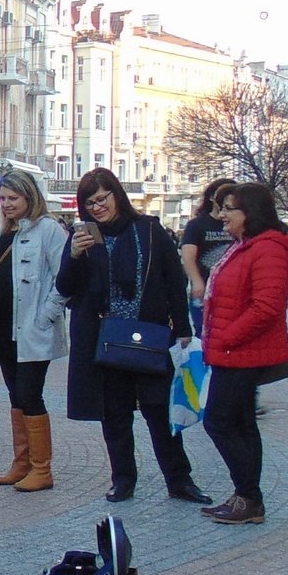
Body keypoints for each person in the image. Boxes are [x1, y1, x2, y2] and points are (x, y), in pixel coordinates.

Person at [57, 168, 209, 505]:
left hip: (149, 335)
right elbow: (64, 288)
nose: (97, 208)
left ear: (116, 195)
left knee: (158, 412)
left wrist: (183, 328)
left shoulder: (148, 230)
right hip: (105, 340)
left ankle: (179, 480)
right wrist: (74, 256)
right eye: (89, 203)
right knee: (115, 415)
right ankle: (123, 479)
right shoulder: (83, 236)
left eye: (102, 199)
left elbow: (173, 281)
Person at [199, 182, 288, 524]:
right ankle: (246, 498)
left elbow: (266, 307)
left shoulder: (267, 249)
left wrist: (227, 337)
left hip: (242, 352)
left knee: (219, 422)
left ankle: (249, 498)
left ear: (251, 214)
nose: (222, 214)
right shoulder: (246, 246)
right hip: (233, 350)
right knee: (241, 424)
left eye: (230, 208)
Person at [0, 170, 69, 492]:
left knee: (31, 394)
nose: (6, 204)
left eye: (13, 198)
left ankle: (42, 469)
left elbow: (65, 279)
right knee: (16, 394)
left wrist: (46, 315)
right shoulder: (1, 231)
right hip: (2, 327)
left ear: (30, 196)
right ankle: (22, 463)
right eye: (3, 198)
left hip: (31, 328)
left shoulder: (49, 231)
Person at [180, 177, 237, 334]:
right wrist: (197, 281)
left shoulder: (238, 224)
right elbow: (188, 256)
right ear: (212, 198)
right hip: (205, 287)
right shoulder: (197, 225)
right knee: (203, 331)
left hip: (232, 289)